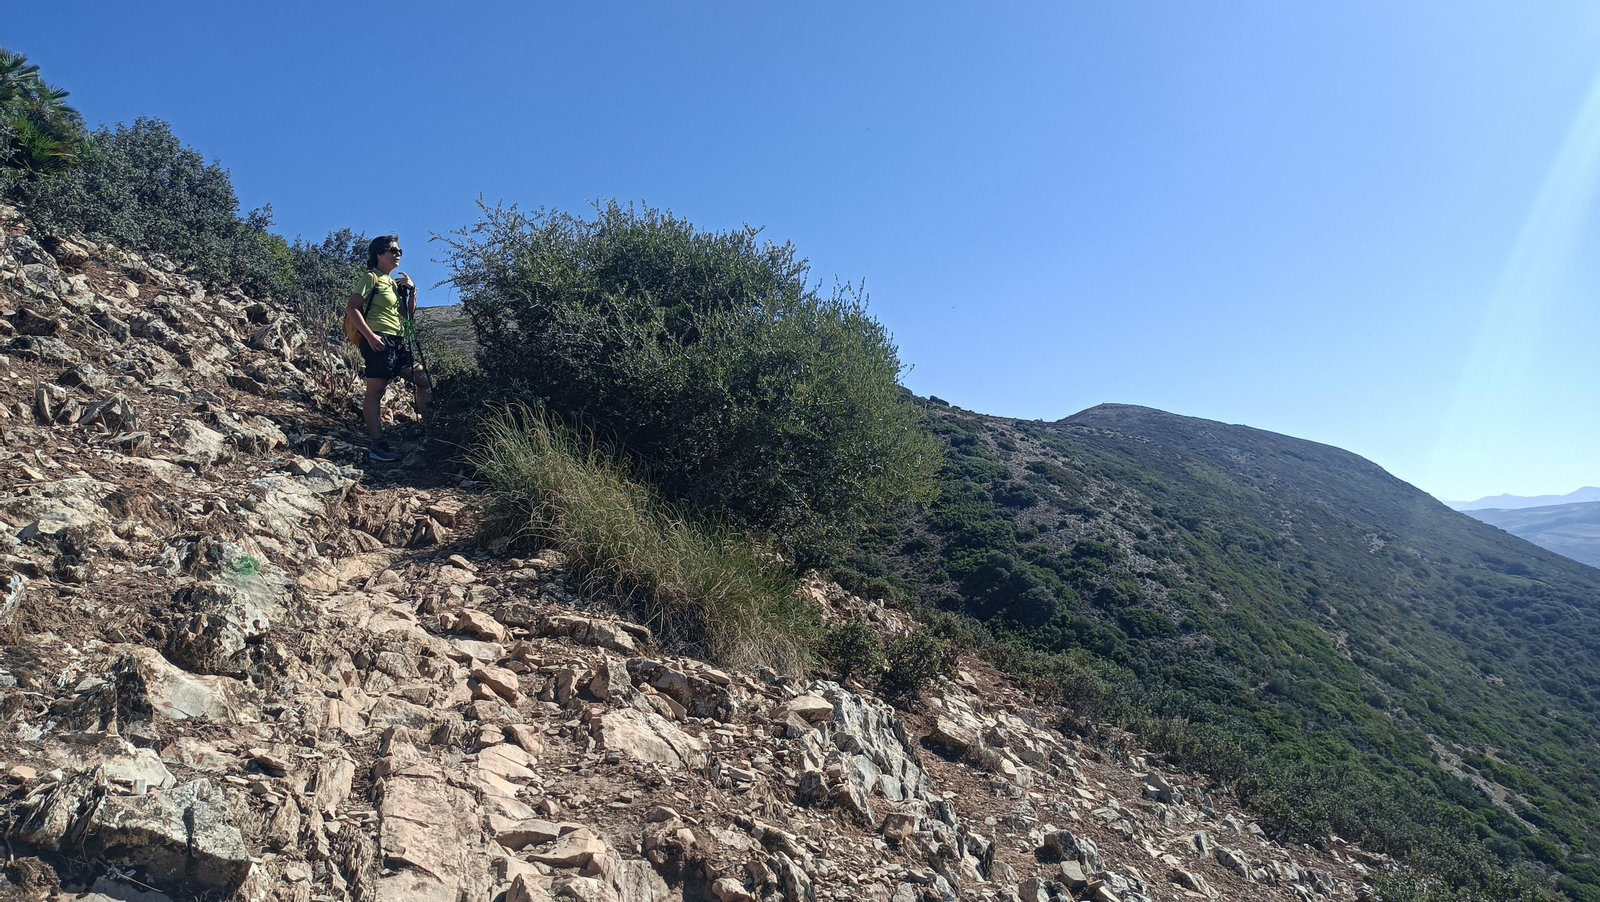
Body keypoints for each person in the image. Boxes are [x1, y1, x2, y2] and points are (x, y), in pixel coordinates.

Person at [346, 235, 431, 463]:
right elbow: (352, 308)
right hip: (377, 340)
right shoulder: (370, 278)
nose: (398, 254)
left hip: (397, 340)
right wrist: (370, 336)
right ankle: (377, 444)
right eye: (393, 250)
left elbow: (407, 315)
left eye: (399, 251)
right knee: (376, 390)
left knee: (424, 379)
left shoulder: (392, 284)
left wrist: (413, 292)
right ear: (379, 254)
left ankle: (430, 431)